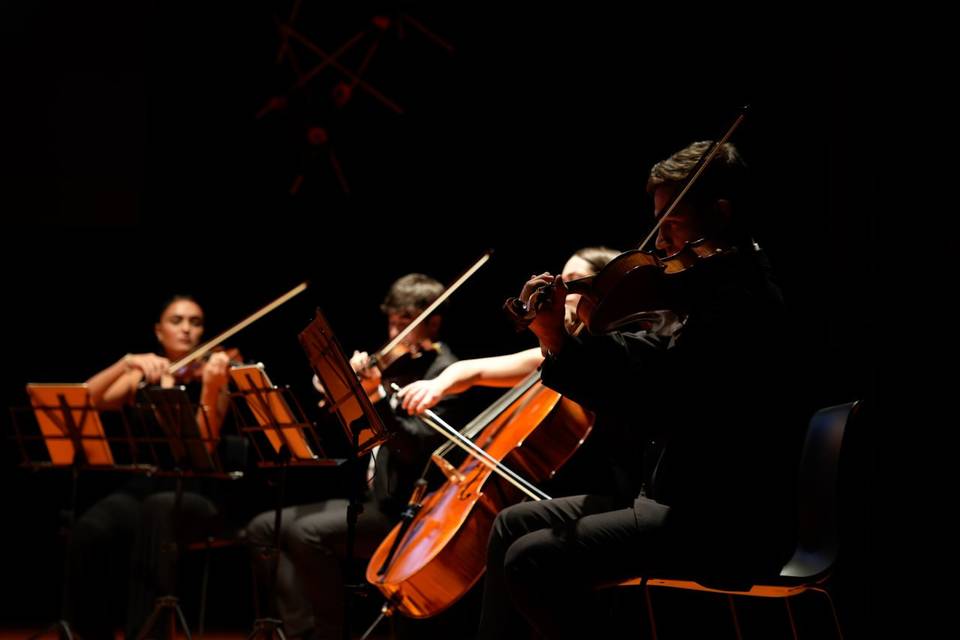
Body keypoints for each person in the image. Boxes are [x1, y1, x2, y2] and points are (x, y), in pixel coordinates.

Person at [476, 141, 805, 639]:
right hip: (677, 500)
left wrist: (564, 343)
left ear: (720, 214)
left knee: (532, 561)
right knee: (510, 526)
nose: (661, 243)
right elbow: (649, 359)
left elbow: (656, 392)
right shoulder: (707, 293)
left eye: (672, 223)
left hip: (723, 522)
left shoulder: (744, 301)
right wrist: (554, 338)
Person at [245, 273, 475, 640]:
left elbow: (416, 447)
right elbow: (353, 435)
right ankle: (300, 629)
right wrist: (338, 387)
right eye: (392, 319)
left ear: (433, 321)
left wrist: (379, 398)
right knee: (262, 527)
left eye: (406, 320)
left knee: (305, 533)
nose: (395, 330)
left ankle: (328, 633)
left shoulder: (445, 374)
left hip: (408, 512)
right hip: (372, 499)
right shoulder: (390, 368)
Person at [66, 295, 232, 640]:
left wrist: (212, 389)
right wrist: (126, 363)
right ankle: (92, 632)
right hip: (144, 486)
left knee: (157, 512)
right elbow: (84, 400)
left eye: (195, 322)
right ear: (159, 331)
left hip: (194, 489)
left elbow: (204, 447)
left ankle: (144, 634)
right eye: (177, 320)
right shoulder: (146, 374)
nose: (186, 328)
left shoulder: (215, 377)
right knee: (90, 529)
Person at [395, 247, 620, 417]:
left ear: (602, 287)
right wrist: (438, 384)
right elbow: (475, 370)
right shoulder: (559, 354)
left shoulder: (618, 350)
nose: (560, 289)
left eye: (573, 280)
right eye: (561, 279)